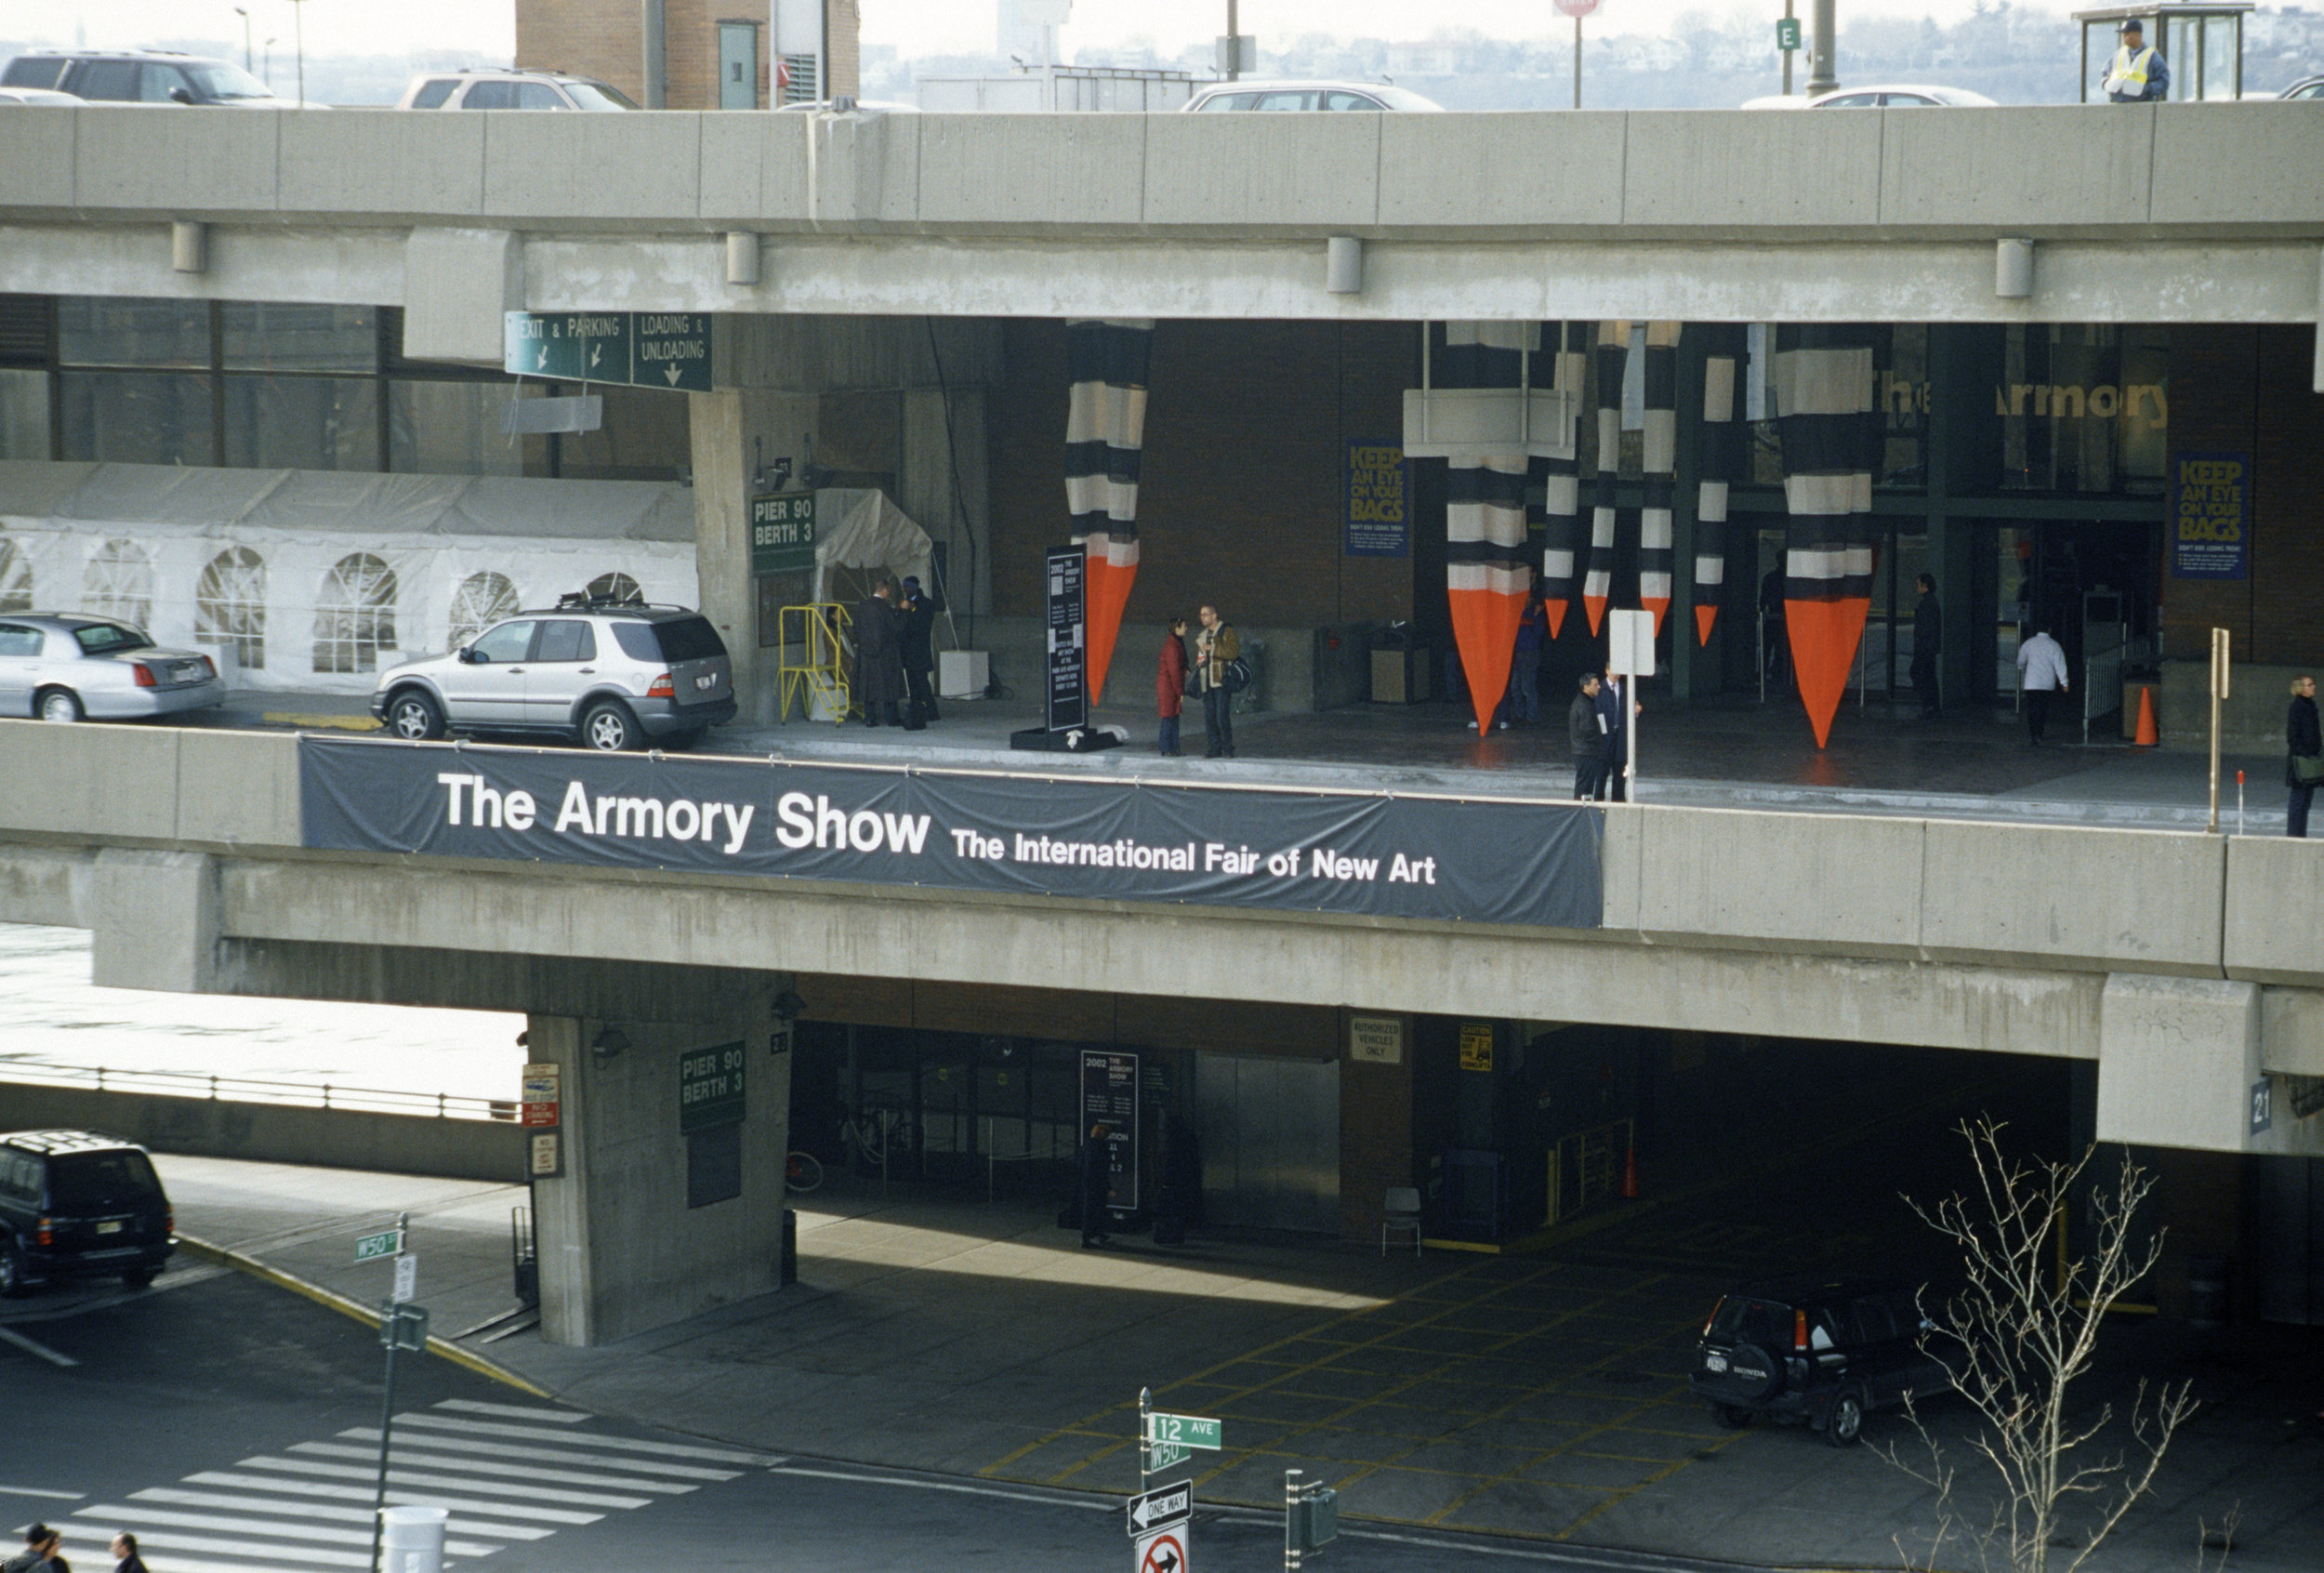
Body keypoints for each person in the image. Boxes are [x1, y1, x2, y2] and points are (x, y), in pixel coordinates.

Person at [851, 575, 905, 727]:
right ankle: (892, 718)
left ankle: (870, 718)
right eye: (889, 591)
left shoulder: (862, 606)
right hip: (886, 653)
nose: (890, 594)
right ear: (885, 589)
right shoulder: (884, 607)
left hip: (866, 653)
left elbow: (855, 628)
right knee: (889, 686)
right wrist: (902, 613)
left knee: (868, 687)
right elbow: (896, 628)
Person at [1194, 603, 1239, 760]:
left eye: (1205, 614)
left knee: (1222, 716)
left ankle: (1228, 748)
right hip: (1206, 680)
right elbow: (1202, 654)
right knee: (1210, 717)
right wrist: (1200, 661)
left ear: (1214, 616)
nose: (1202, 618)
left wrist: (1211, 649)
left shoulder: (1226, 631)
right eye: (1201, 615)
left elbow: (1232, 652)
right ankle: (1214, 748)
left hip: (1221, 680)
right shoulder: (1202, 635)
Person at [896, 575, 940, 729]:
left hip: (919, 650)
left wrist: (912, 609)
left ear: (914, 587)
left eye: (907, 587)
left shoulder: (926, 603)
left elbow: (923, 624)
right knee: (912, 683)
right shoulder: (904, 603)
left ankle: (932, 710)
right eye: (904, 587)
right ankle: (916, 709)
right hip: (908, 650)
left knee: (922, 682)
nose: (905, 590)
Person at [2015, 624, 2070, 746]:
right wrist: (2064, 683)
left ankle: (2033, 734)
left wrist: (2022, 667)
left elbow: (2020, 661)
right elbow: (2060, 665)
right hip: (2047, 683)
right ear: (2049, 630)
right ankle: (2040, 732)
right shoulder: (2054, 645)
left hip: (2031, 682)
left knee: (2032, 708)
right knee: (2043, 708)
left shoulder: (2029, 643)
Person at [1596, 665, 1640, 801]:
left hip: (1620, 736)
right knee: (1602, 772)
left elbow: (1630, 710)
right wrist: (1602, 732)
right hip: (1605, 736)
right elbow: (1598, 712)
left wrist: (1636, 712)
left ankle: (1618, 801)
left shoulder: (1625, 689)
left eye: (1618, 672)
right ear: (1607, 670)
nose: (1615, 674)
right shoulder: (1600, 688)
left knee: (1620, 771)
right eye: (1612, 671)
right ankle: (1599, 801)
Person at [2101, 19, 2169, 102]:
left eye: (2126, 34)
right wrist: (2105, 83)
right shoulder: (2117, 55)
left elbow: (2163, 82)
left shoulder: (2152, 56)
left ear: (2137, 35)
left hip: (2141, 108)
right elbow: (2105, 74)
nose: (2124, 37)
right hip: (2117, 106)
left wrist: (2146, 89)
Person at [2288, 674, 2320, 839]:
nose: (2313, 687)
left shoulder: (2310, 705)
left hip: (2310, 760)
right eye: (2309, 685)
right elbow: (2292, 736)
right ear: (2301, 688)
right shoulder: (2298, 707)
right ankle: (2294, 835)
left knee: (2306, 801)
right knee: (2299, 800)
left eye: (2312, 684)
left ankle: (2300, 834)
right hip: (2301, 762)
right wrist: (2305, 754)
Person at [1511, 588, 1548, 724]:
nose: (1526, 600)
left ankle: (1531, 717)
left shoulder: (1535, 615)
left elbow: (1538, 635)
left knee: (1527, 687)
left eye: (1528, 597)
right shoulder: (1518, 613)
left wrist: (1537, 614)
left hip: (1530, 654)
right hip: (1518, 654)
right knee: (1515, 687)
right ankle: (1521, 715)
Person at [1155, 614, 1189, 757]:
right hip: (1169, 686)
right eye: (1184, 626)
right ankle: (1167, 747)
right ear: (1177, 628)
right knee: (1169, 716)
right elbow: (1174, 670)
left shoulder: (1176, 643)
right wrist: (1180, 691)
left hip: (1171, 685)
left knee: (1173, 716)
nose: (1186, 629)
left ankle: (1172, 748)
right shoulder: (1173, 647)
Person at [1910, 573, 1943, 720]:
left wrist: (1917, 631)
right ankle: (1932, 707)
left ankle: (1929, 706)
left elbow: (1926, 626)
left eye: (1919, 584)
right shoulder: (1932, 602)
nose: (1917, 587)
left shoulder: (1926, 603)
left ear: (1925, 585)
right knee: (1928, 675)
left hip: (1925, 646)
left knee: (1920, 674)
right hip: (1930, 645)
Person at [1568, 672, 1606, 800]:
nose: (1599, 687)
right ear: (1586, 686)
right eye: (1595, 685)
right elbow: (1587, 731)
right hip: (1585, 752)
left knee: (1586, 784)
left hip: (1585, 750)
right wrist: (1600, 741)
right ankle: (1580, 809)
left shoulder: (1587, 703)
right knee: (1584, 786)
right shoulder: (1583, 705)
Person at [1077, 1121, 1113, 1248]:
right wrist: (1108, 1187)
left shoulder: (1087, 1145)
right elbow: (1101, 1169)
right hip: (1096, 1183)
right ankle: (1088, 1237)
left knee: (1091, 1210)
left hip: (1087, 1182)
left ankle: (1094, 1234)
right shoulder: (1101, 1148)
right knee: (1095, 1210)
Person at [1759, 566, 1787, 686]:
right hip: (1774, 616)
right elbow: (1764, 596)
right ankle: (1768, 674)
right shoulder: (1774, 578)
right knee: (1771, 648)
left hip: (1779, 617)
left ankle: (1773, 674)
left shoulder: (1772, 578)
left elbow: (1763, 597)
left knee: (1777, 649)